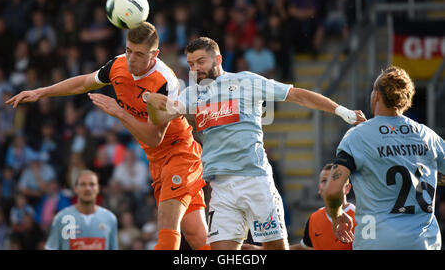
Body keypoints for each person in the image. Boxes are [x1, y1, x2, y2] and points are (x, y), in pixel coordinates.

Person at [146, 37, 366, 250]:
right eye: (191, 64)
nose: (196, 69)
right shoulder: (191, 95)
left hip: (254, 180)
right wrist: (152, 102)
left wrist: (341, 111)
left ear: (218, 60)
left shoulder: (245, 81)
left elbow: (297, 95)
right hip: (220, 187)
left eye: (201, 62)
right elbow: (160, 119)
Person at [6, 22, 209, 250]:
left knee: (167, 226)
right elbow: (83, 83)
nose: (131, 59)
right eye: (128, 50)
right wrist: (40, 92)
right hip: (156, 160)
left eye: (139, 54)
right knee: (200, 239)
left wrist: (118, 112)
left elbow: (155, 138)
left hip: (179, 152)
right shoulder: (117, 65)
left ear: (155, 55)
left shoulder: (164, 82)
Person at [324, 66, 445, 250]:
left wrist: (337, 215)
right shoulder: (428, 136)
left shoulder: (358, 136)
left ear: (378, 95)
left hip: (375, 241)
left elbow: (332, 191)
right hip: (423, 242)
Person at [242, 163, 356, 250]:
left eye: (333, 181)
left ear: (347, 188)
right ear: (319, 188)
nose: (328, 185)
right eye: (324, 181)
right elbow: (303, 248)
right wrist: (260, 249)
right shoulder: (314, 219)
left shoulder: (360, 217)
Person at [44, 170, 118, 250]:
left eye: (92, 184)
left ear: (98, 189)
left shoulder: (110, 218)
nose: (87, 188)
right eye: (83, 184)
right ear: (76, 189)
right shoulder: (61, 218)